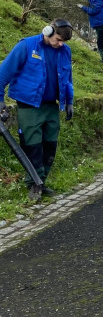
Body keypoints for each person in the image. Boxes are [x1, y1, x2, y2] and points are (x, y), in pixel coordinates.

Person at [0, 19, 75, 201]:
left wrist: (70, 101)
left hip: (51, 105)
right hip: (29, 105)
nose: (60, 43)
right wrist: (0, 99)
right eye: (58, 39)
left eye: (63, 41)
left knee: (50, 145)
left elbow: (67, 77)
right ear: (48, 31)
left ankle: (41, 181)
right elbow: (4, 72)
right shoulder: (27, 46)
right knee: (32, 145)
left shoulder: (65, 51)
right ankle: (33, 184)